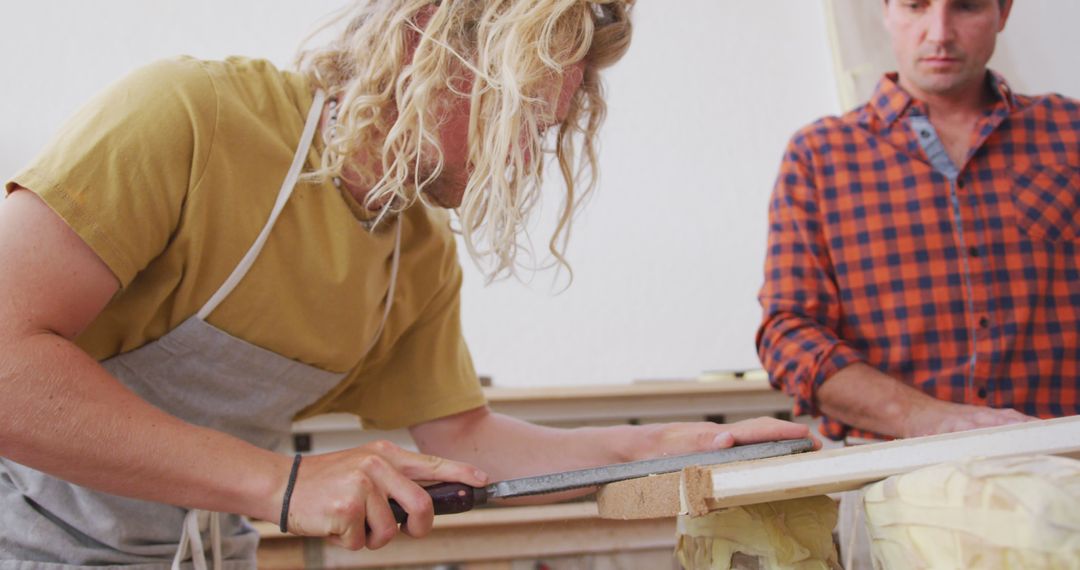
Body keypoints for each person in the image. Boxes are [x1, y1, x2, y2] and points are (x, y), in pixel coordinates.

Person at [0, 1, 815, 568]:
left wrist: (655, 448)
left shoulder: (412, 251)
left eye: (547, 130)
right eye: (521, 111)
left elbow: (467, 443)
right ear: (429, 44)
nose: (528, 154)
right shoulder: (191, 117)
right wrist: (283, 484)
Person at [757, 0, 1078, 443]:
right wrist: (923, 417)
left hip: (1063, 464)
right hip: (896, 478)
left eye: (965, 7)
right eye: (916, 6)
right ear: (887, 11)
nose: (940, 32)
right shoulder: (819, 155)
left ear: (1003, 13)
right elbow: (788, 335)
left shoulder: (1071, 135)